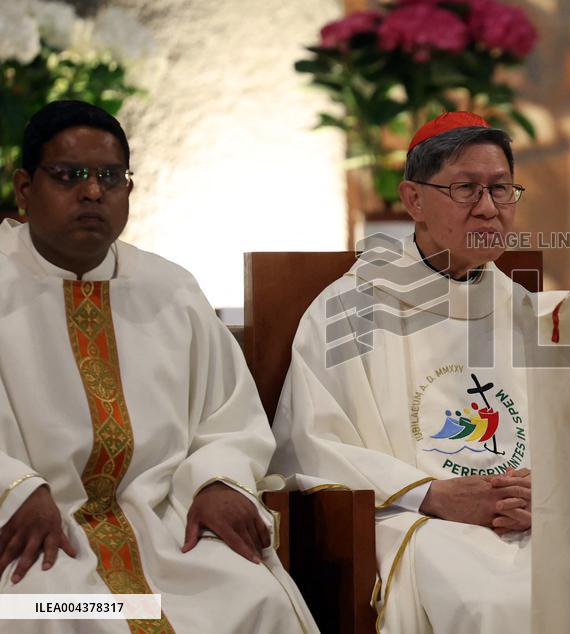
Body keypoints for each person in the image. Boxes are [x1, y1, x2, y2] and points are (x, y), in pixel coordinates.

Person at [0, 100, 318, 632]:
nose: (93, 192)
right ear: (25, 189)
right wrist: (13, 487)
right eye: (69, 176)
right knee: (35, 613)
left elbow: (230, 418)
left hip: (163, 526)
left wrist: (219, 480)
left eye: (109, 177)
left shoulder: (171, 289)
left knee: (253, 597)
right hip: (37, 534)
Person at [271, 112, 539, 633]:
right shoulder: (351, 310)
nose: (488, 210)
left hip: (533, 521)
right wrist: (432, 492)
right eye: (466, 189)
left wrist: (545, 495)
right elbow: (309, 445)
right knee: (494, 605)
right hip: (420, 523)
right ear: (413, 199)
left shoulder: (531, 312)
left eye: (501, 190)